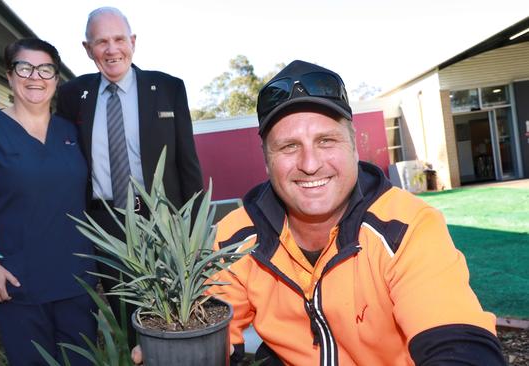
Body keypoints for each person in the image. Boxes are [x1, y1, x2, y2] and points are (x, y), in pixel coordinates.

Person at [207, 60, 505, 365]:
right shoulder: (234, 239)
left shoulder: (405, 226)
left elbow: (462, 347)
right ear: (267, 161)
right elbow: (200, 340)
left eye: (326, 141)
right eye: (288, 147)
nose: (310, 164)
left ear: (354, 146)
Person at [56, 6, 203, 346]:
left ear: (133, 42)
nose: (111, 50)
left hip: (164, 220)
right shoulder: (72, 96)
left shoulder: (168, 87)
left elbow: (188, 165)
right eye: (101, 42)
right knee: (127, 317)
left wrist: (195, 231)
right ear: (87, 48)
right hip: (104, 223)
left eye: (119, 39)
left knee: (173, 313)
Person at [0, 38, 97, 365]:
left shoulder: (71, 132)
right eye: (24, 67)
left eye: (46, 70)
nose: (35, 77)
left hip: (76, 280)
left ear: (56, 80)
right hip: (18, 281)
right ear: (9, 76)